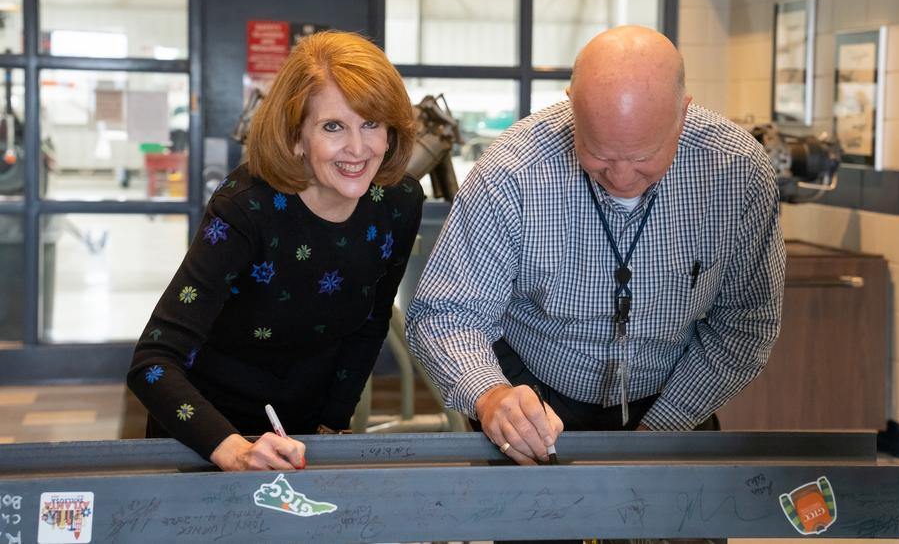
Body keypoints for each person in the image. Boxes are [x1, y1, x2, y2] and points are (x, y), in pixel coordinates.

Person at [407, 25, 785, 467]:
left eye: (645, 158)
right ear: (573, 109)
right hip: (535, 396)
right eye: (599, 154)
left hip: (675, 396)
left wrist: (661, 429)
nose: (622, 179)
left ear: (683, 113)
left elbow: (745, 323)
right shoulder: (514, 170)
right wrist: (491, 396)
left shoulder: (737, 173)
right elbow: (447, 313)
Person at [128, 31, 424, 471]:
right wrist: (234, 450)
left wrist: (332, 426)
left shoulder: (397, 203)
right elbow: (152, 364)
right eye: (333, 126)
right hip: (205, 436)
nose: (358, 149)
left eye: (371, 124)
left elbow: (369, 324)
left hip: (302, 435)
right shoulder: (246, 208)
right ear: (296, 136)